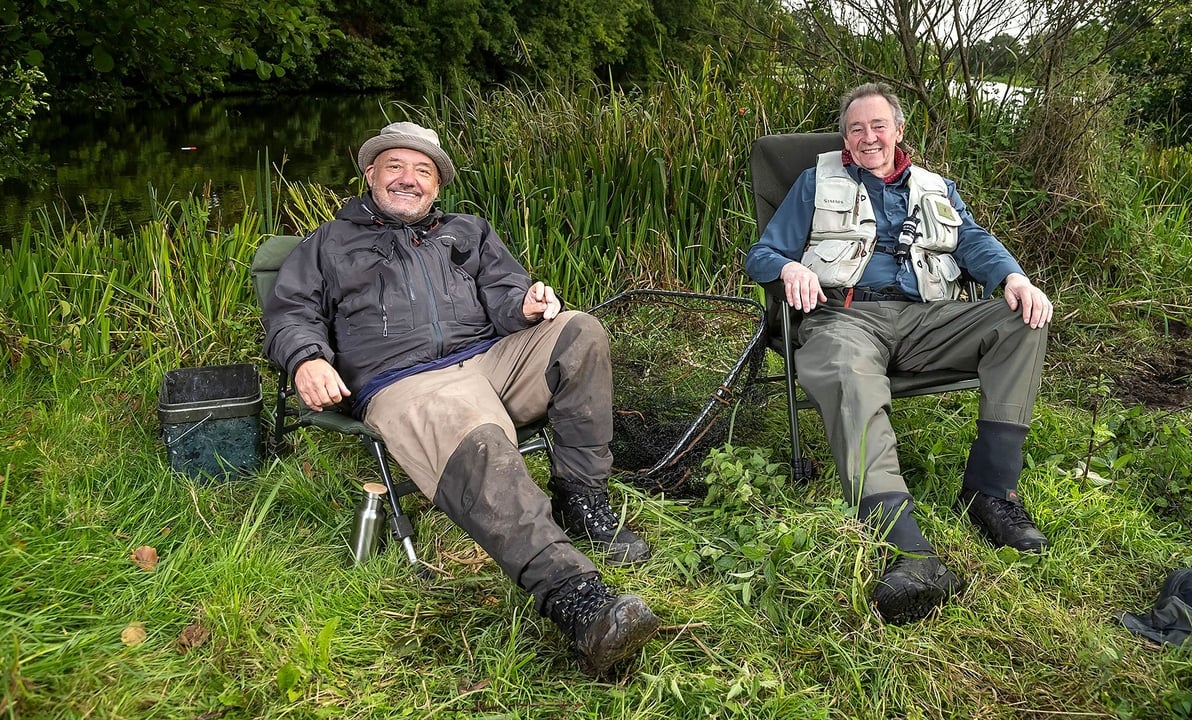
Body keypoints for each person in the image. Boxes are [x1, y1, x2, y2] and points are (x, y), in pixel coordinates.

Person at [262, 121, 659, 674]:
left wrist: (526, 303)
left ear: (437, 186)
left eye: (422, 170)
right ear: (370, 174)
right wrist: (307, 357)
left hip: (489, 359)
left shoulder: (466, 231)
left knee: (580, 330)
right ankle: (577, 600)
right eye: (395, 166)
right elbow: (290, 314)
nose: (408, 179)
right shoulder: (327, 244)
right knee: (474, 433)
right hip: (404, 380)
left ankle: (581, 499)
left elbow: (505, 293)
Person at [745, 83, 1054, 624]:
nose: (869, 137)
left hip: (926, 319)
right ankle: (903, 545)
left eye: (878, 126)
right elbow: (763, 252)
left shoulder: (937, 187)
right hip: (845, 316)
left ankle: (990, 493)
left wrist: (1014, 277)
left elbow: (973, 242)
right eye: (857, 128)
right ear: (846, 138)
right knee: (842, 363)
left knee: (1020, 320)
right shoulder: (815, 182)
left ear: (899, 131)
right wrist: (789, 267)